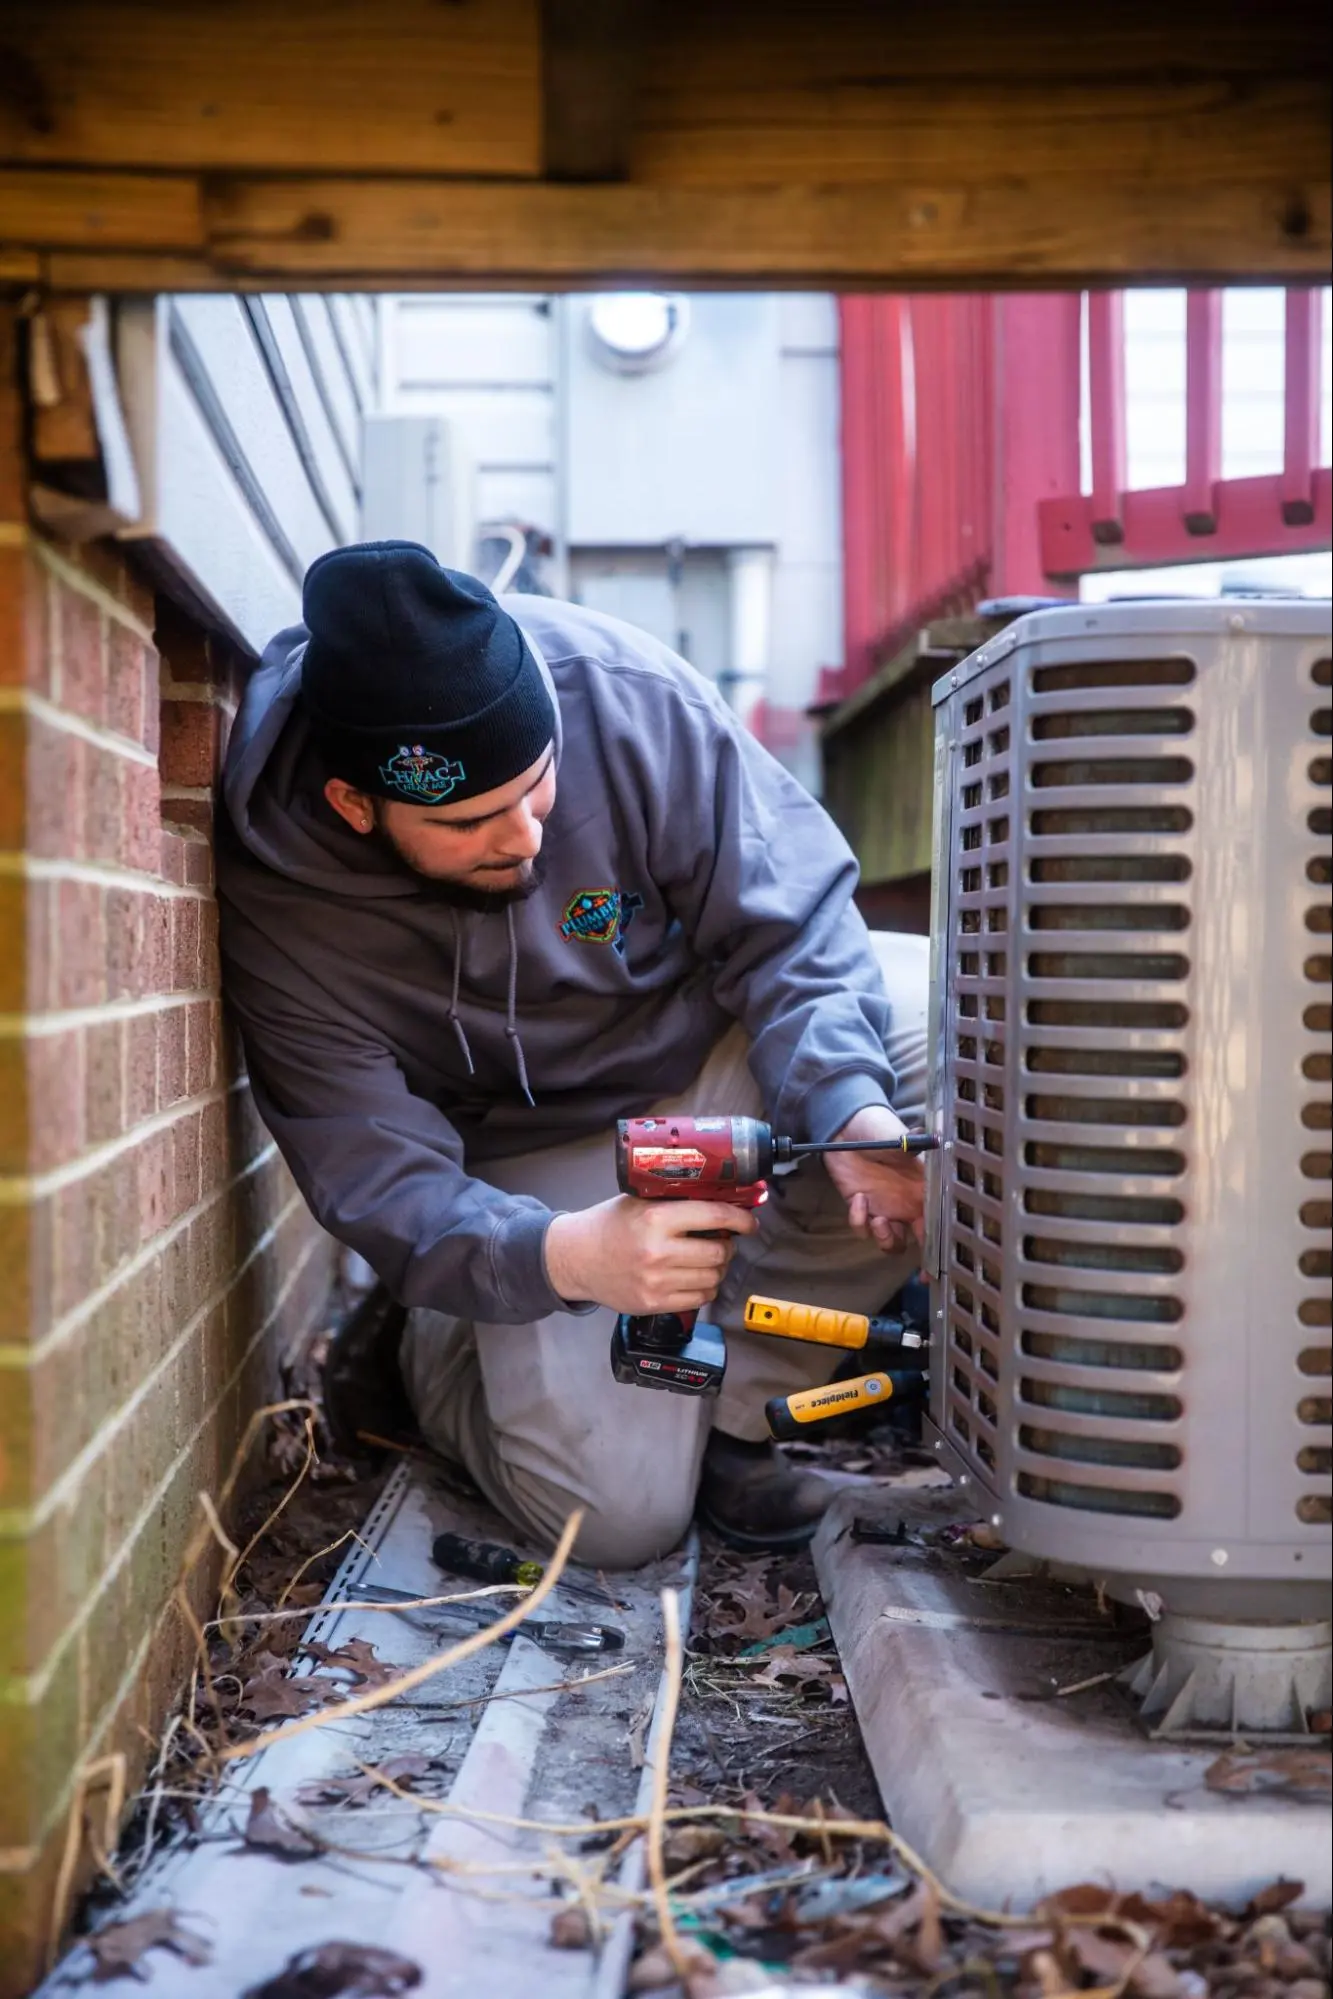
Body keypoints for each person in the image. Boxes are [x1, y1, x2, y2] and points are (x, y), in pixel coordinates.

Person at [216, 541, 930, 1568]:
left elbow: (794, 930)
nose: (525, 838)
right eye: (468, 821)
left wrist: (849, 1111)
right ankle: (445, 1352)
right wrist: (564, 1258)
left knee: (935, 1045)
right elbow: (373, 1166)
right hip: (530, 1159)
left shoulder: (621, 696)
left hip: (709, 1044)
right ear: (355, 806)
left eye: (538, 785)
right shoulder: (286, 911)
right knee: (615, 1521)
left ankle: (740, 1418)